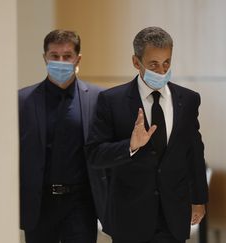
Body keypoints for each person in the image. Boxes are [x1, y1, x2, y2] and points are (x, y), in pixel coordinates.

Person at [85, 26, 208, 243]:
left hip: (174, 216)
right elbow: (95, 155)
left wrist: (199, 199)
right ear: (136, 62)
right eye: (153, 64)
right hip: (129, 216)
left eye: (167, 63)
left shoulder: (188, 100)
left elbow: (194, 153)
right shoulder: (111, 101)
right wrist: (129, 146)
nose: (161, 71)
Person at [19, 30, 106, 243]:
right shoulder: (23, 101)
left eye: (67, 56)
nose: (60, 61)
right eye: (54, 55)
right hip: (40, 204)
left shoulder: (98, 98)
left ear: (78, 58)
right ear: (44, 58)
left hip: (81, 204)